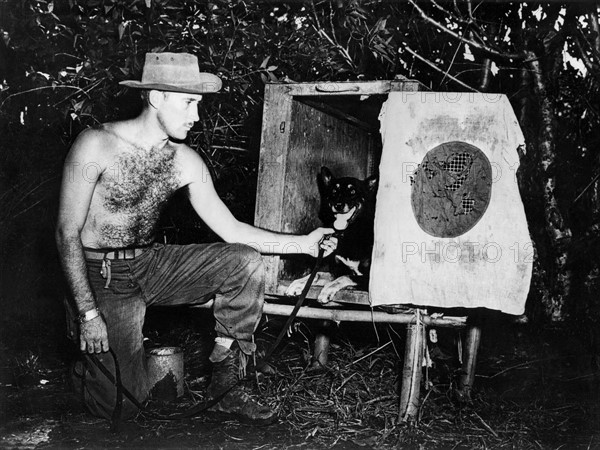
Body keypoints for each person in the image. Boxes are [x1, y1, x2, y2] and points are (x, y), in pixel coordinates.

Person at [55, 52, 337, 425]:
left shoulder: (185, 160)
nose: (197, 116)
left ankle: (225, 384)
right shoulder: (95, 144)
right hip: (101, 276)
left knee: (243, 261)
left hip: (151, 264)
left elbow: (232, 230)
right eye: (189, 103)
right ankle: (87, 369)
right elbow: (66, 233)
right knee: (123, 407)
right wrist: (88, 313)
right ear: (157, 96)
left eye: (198, 105)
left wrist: (304, 242)